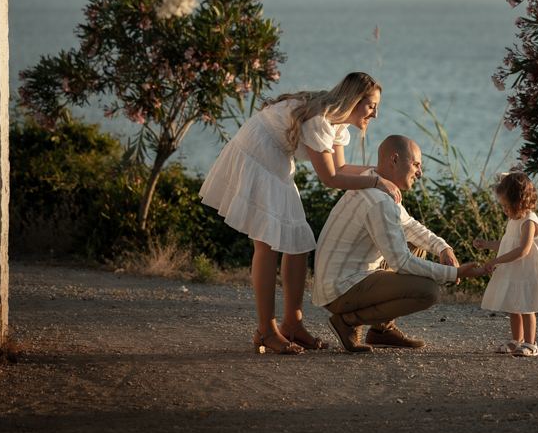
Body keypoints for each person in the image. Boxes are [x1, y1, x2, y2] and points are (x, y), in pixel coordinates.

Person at [200, 72, 399, 355]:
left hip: (277, 160)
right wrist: (378, 181)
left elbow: (341, 169)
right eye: (371, 106)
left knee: (298, 244)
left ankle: (293, 325)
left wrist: (381, 175)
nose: (376, 114)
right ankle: (265, 331)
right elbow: (330, 178)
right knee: (267, 244)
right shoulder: (319, 119)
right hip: (257, 155)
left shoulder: (339, 125)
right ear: (354, 101)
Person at [312, 134, 487, 352]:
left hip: (342, 280)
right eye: (416, 164)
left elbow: (410, 226)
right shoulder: (379, 201)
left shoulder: (374, 181)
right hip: (340, 289)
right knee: (427, 290)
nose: (420, 173)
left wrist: (443, 247)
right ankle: (347, 321)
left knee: (416, 244)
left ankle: (380, 330)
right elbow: (401, 262)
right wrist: (454, 273)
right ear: (394, 160)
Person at [473, 171, 538, 357]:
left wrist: (497, 260)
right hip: (516, 268)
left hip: (527, 270)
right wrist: (488, 245)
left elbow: (523, 250)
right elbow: (508, 244)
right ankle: (517, 341)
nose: (504, 210)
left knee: (526, 307)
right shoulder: (514, 220)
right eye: (502, 206)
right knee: (514, 307)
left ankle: (531, 343)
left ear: (519, 202)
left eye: (506, 206)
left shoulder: (529, 222)